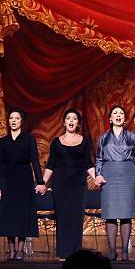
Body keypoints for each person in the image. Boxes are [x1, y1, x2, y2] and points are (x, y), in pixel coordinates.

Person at [95, 106, 135, 261]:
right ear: (110, 118)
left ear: (125, 118)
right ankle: (111, 249)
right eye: (115, 113)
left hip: (127, 173)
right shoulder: (104, 138)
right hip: (109, 173)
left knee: (126, 214)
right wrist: (98, 175)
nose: (118, 116)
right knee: (110, 214)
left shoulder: (131, 136)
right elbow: (99, 158)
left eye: (121, 114)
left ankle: (124, 250)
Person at [0, 107, 46, 261]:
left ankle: (20, 250)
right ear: (8, 121)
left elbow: (35, 161)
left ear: (21, 121)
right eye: (11, 118)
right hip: (7, 180)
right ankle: (11, 250)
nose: (13, 121)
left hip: (24, 179)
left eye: (16, 118)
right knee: (9, 214)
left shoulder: (29, 140)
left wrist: (40, 181)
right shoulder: (3, 142)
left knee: (22, 214)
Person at [43, 109, 96, 260]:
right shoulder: (56, 142)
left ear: (78, 123)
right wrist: (42, 182)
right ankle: (63, 253)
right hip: (60, 185)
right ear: (64, 122)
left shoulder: (84, 141)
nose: (71, 120)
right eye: (68, 118)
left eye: (74, 118)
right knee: (63, 218)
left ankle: (75, 254)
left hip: (78, 185)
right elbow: (51, 164)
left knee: (77, 218)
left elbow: (88, 163)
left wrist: (97, 177)